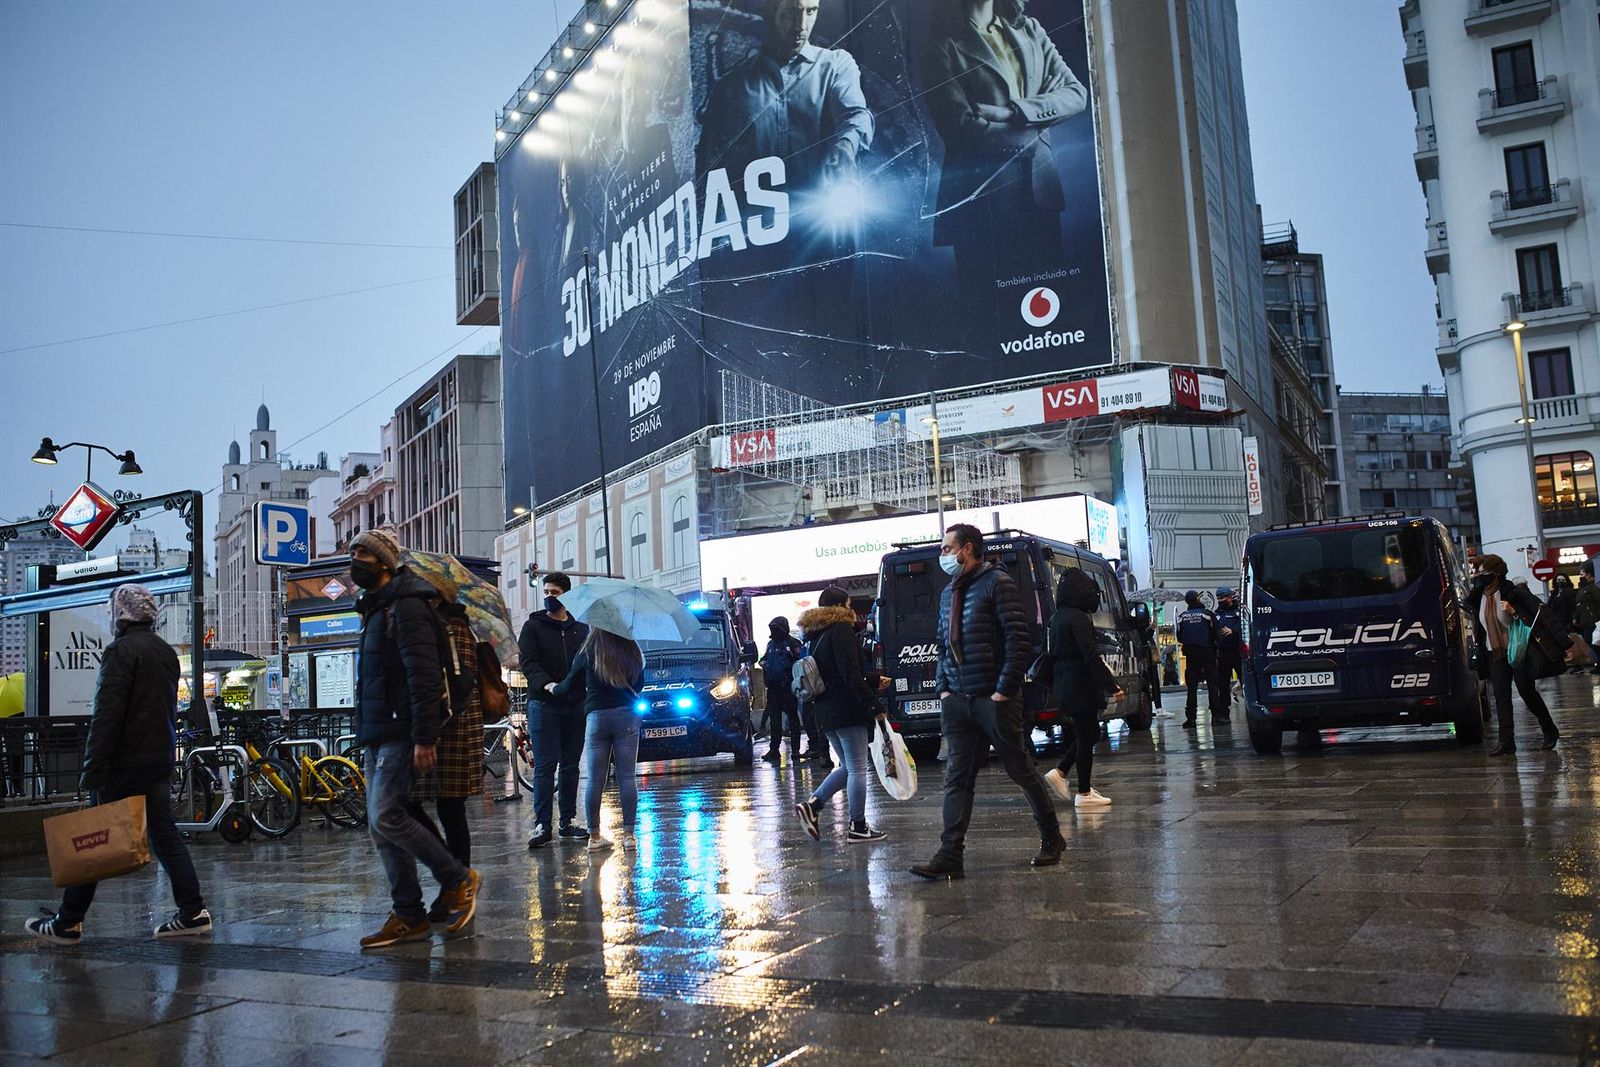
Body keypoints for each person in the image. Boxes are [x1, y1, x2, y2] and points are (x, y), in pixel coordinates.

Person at [26, 585, 211, 944]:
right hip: (158, 758)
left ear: (120, 614)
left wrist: (92, 769)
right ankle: (192, 911)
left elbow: (107, 715)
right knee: (166, 837)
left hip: (124, 762)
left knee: (90, 842)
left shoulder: (119, 652)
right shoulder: (164, 653)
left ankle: (68, 923)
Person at [921, 0, 1088, 341]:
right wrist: (1037, 123)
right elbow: (961, 127)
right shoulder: (940, 46)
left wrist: (1011, 113)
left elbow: (1076, 94)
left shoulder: (1030, 30)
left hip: (1040, 191)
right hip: (981, 202)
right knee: (990, 325)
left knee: (1051, 327)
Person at [349, 530, 482, 949]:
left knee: (388, 814)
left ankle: (458, 879)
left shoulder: (406, 607)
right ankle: (409, 914)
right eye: (353, 551)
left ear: (385, 563)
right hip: (379, 728)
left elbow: (423, 677)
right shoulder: (377, 608)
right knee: (380, 823)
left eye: (363, 553)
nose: (354, 560)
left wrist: (425, 737)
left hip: (401, 729)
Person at [910, 523, 1061, 880]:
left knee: (1020, 769)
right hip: (958, 701)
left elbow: (1019, 640)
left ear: (968, 549)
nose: (943, 554)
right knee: (956, 778)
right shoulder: (949, 592)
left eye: (948, 548)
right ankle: (949, 854)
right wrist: (943, 688)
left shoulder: (998, 583)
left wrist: (1003, 690)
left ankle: (1052, 837)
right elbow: (942, 643)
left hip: (993, 700)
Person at [698, 0, 874, 195]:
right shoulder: (732, 88)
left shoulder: (836, 66)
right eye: (791, 13)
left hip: (822, 217)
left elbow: (855, 115)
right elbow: (710, 167)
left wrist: (846, 145)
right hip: (757, 220)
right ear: (770, 11)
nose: (801, 26)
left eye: (811, 11)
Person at [406, 592, 484, 923]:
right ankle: (453, 878)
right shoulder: (436, 626)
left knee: (450, 809)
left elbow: (461, 682)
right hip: (438, 726)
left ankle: (456, 885)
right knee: (415, 804)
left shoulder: (456, 628)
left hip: (455, 729)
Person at [793, 587, 889, 843]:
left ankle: (813, 806)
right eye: (848, 604)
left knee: (848, 766)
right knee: (858, 768)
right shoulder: (842, 631)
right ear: (839, 607)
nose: (851, 609)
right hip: (846, 709)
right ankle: (858, 826)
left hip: (825, 710)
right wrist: (874, 705)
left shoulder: (815, 635)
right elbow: (850, 675)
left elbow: (834, 672)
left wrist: (874, 679)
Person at [546, 627, 646, 853]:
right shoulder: (631, 648)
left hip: (596, 718)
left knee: (594, 781)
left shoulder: (588, 649)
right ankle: (629, 837)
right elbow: (639, 684)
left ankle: (595, 836)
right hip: (627, 716)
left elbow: (569, 684)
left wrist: (552, 688)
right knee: (627, 777)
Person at [518, 572, 590, 849]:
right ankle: (542, 824)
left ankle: (567, 821)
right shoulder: (533, 626)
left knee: (571, 765)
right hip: (544, 704)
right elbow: (529, 662)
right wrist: (547, 685)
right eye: (546, 592)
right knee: (546, 766)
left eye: (555, 593)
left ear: (566, 595)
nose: (549, 597)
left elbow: (585, 664)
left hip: (574, 704)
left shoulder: (580, 629)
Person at [1041, 570, 1123, 809]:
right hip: (1080, 684)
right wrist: (1111, 685)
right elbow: (1090, 655)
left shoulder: (1056, 618)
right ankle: (1083, 792)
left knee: (1089, 734)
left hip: (1063, 683)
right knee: (1087, 736)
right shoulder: (1078, 618)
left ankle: (1063, 773)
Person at [1465, 554, 1562, 756]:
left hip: (1518, 651)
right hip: (1495, 653)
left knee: (1527, 692)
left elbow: (1538, 617)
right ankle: (1506, 741)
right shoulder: (1479, 596)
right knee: (1501, 697)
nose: (1479, 576)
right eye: (1478, 572)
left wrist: (1514, 611)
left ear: (1497, 573)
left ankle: (1549, 729)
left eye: (1484, 572)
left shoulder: (1513, 593)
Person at [760, 617, 804, 763]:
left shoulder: (793, 643)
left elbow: (801, 662)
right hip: (773, 687)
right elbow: (764, 658)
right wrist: (764, 664)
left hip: (788, 687)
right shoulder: (771, 644)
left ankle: (796, 749)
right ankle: (774, 750)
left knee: (792, 718)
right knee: (775, 720)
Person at [1175, 591, 1216, 730]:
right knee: (1212, 684)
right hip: (1207, 653)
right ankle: (1216, 716)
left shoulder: (1182, 617)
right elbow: (1216, 633)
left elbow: (1179, 637)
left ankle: (1191, 719)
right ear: (1197, 599)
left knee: (1191, 687)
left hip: (1191, 655)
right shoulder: (1207, 614)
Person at [1211, 587, 1243, 719]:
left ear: (1230, 597)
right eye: (1218, 598)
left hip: (1238, 652)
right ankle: (1224, 712)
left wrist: (1234, 631)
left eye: (1223, 598)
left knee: (1244, 680)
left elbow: (1246, 625)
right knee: (1223, 684)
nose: (1220, 601)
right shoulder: (1216, 614)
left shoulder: (1239, 612)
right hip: (1223, 653)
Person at [1573, 569, 1600, 674]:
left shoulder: (1592, 589)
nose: (1580, 576)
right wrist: (1576, 617)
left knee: (1594, 642)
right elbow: (1579, 606)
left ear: (1589, 575)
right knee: (1591, 641)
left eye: (1582, 574)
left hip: (1593, 621)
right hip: (1586, 621)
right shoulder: (1583, 589)